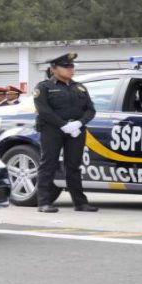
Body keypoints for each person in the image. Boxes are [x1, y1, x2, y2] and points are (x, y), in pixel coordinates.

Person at [33, 53, 97, 213]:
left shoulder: (80, 87)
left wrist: (79, 123)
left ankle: (80, 203)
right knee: (49, 164)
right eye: (66, 67)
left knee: (74, 166)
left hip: (76, 131)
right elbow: (44, 111)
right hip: (52, 130)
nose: (71, 69)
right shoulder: (44, 87)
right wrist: (63, 125)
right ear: (54, 69)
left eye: (72, 66)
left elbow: (90, 110)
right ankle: (44, 202)